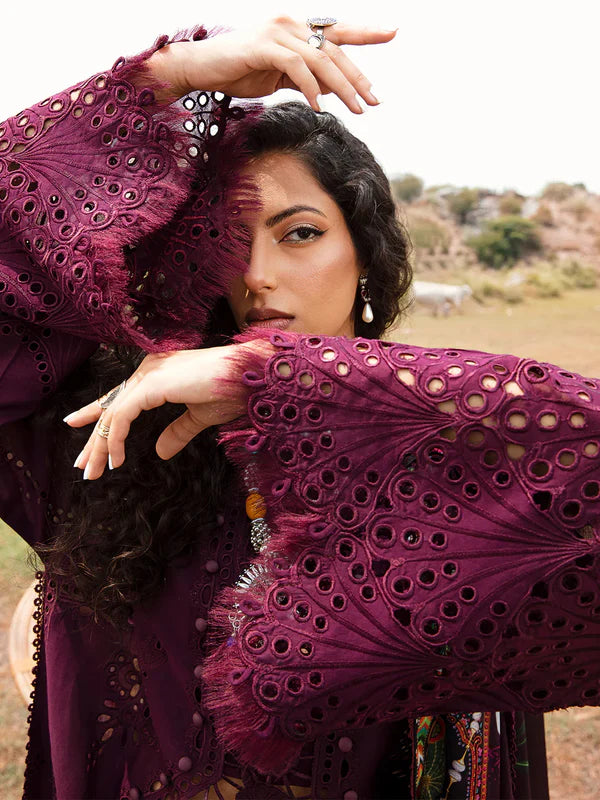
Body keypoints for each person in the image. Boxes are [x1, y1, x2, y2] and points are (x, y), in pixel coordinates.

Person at [1, 16, 597, 800]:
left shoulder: (450, 445)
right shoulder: (110, 438)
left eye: (301, 233)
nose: (256, 275)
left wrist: (287, 382)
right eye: (225, 240)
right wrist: (165, 79)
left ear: (365, 255)